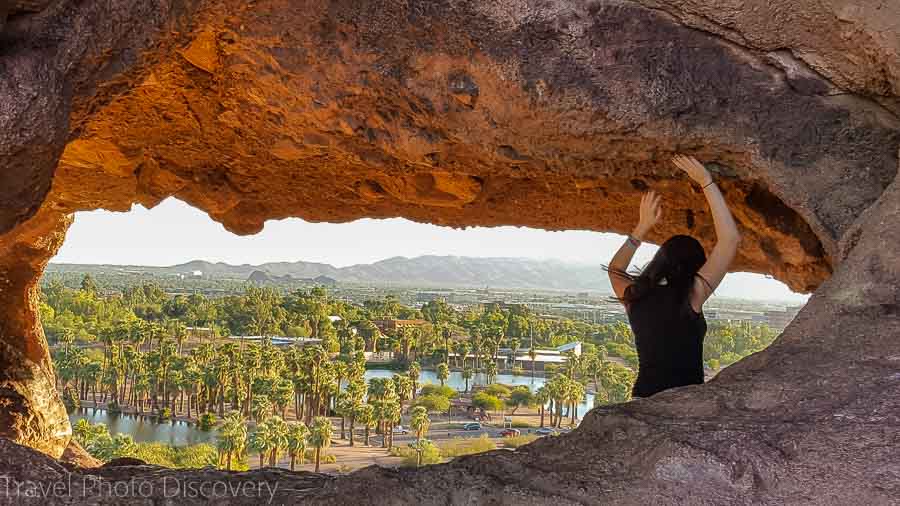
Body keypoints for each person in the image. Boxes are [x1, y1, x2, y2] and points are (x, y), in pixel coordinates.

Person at [607, 155, 740, 398]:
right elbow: (730, 239)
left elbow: (615, 270)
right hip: (684, 402)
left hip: (643, 398)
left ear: (660, 260)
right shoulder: (692, 294)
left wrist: (642, 226)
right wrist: (706, 182)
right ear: (696, 267)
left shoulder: (635, 297)